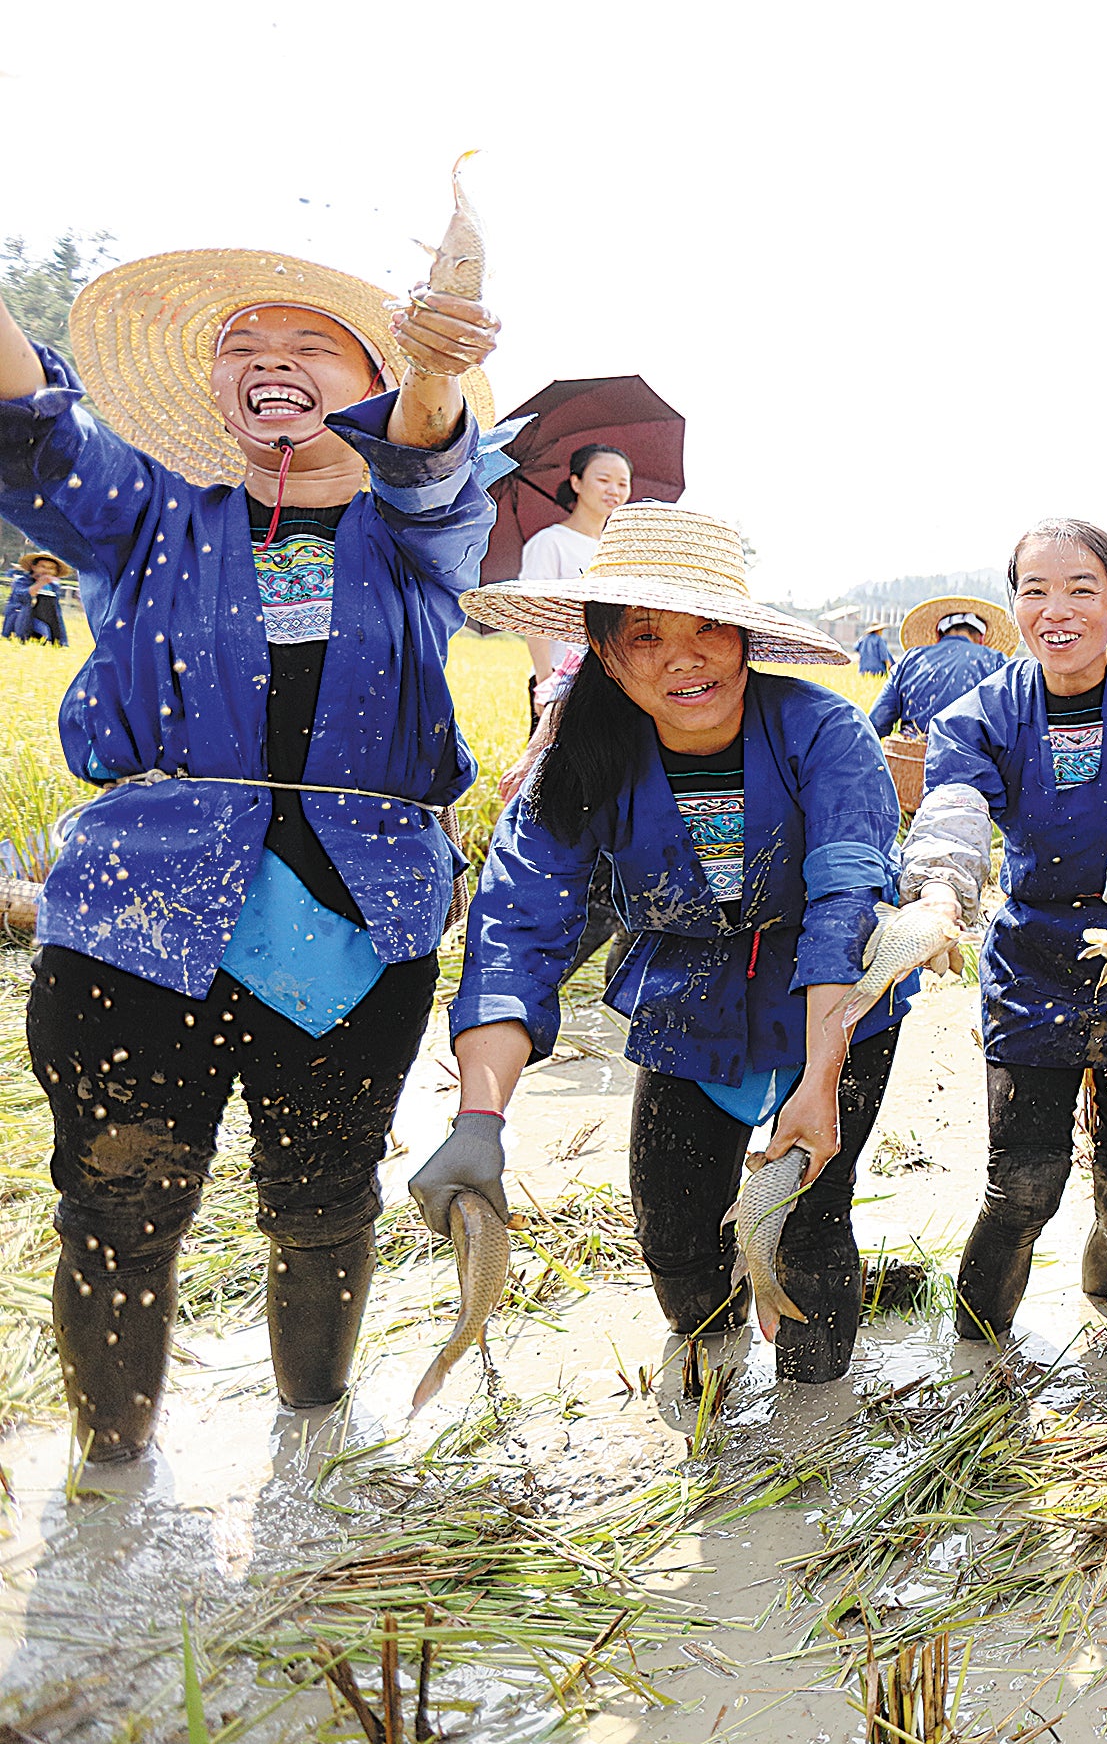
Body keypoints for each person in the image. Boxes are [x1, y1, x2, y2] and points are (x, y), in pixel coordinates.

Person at [0, 239, 498, 1461]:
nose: (270, 363)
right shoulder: (152, 518)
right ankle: (113, 1491)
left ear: (369, 385)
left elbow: (433, 468)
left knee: (323, 1199)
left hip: (358, 918)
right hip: (135, 916)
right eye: (244, 352)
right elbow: (30, 429)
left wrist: (432, 374)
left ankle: (310, 1458)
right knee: (119, 1200)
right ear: (220, 394)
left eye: (309, 348)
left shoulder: (411, 541)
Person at [421, 504, 915, 1386]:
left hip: (834, 1004)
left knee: (805, 1225)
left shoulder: (823, 733)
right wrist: (478, 1119)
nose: (685, 657)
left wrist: (819, 1079)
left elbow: (848, 901)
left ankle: (811, 1438)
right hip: (685, 997)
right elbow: (514, 929)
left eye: (709, 629)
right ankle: (715, 1368)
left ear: (745, 640)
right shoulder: (577, 761)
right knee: (674, 1238)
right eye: (646, 635)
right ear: (605, 651)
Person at [897, 520, 1107, 1330]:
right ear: (1014, 607)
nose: (1056, 609)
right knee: (1022, 1185)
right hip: (1032, 952)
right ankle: (976, 1358)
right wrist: (936, 893)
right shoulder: (979, 712)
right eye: (1035, 590)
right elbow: (955, 808)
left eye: (1080, 589)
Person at [515, 442, 633, 724]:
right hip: (560, 678)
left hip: (613, 679)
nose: (613, 491)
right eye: (603, 480)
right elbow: (534, 613)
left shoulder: (619, 550)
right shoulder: (550, 542)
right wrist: (545, 681)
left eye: (622, 483)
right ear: (576, 482)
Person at [869, 594, 1018, 738]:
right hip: (971, 759)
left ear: (939, 635)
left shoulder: (911, 659)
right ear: (981, 638)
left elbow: (877, 723)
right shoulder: (997, 661)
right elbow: (1013, 726)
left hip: (911, 756)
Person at [4, 550, 72, 644]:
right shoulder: (22, 581)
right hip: (23, 619)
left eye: (51, 568)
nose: (46, 571)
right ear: (33, 567)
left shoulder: (53, 587)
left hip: (45, 618)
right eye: (42, 566)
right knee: (41, 634)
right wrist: (40, 583)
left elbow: (55, 611)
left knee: (47, 634)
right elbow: (22, 597)